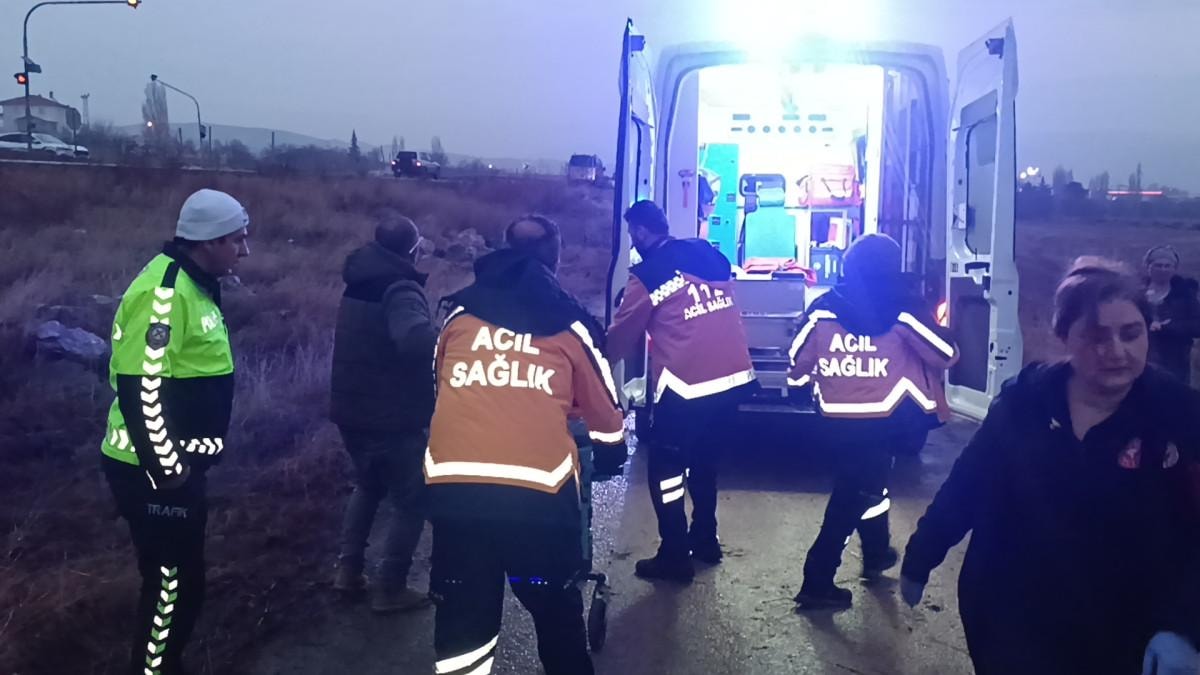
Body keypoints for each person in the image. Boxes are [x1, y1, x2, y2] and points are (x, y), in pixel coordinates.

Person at [901, 257, 1200, 675]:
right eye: (1096, 336)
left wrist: (1186, 625)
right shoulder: (1024, 404)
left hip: (1127, 630)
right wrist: (921, 555)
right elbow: (968, 485)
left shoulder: (1180, 416)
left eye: (1131, 334)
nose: (1116, 351)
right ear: (1064, 337)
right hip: (1012, 620)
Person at [425, 226, 628, 675]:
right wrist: (612, 452)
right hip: (538, 502)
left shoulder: (458, 317)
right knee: (554, 608)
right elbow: (605, 412)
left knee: (463, 621)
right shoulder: (568, 325)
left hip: (455, 497)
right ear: (554, 261)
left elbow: (438, 388)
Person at [100, 189, 250, 675]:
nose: (245, 251)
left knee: (183, 584)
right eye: (236, 240)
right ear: (208, 241)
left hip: (174, 468)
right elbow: (141, 391)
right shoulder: (164, 295)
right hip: (151, 473)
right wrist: (169, 471)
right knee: (170, 587)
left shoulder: (194, 284)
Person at [787, 233, 958, 610]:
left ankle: (877, 551)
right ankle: (817, 580)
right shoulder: (904, 310)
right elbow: (945, 354)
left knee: (869, 486)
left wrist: (798, 388)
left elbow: (798, 357)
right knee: (850, 499)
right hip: (884, 421)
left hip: (836, 421)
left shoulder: (823, 308)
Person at [607, 199, 755, 583]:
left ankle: (674, 555)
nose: (633, 241)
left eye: (633, 234)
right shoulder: (707, 253)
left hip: (688, 384)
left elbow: (623, 334)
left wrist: (595, 363)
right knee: (705, 462)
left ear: (641, 231)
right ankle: (705, 540)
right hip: (733, 378)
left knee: (666, 468)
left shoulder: (647, 275)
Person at [329, 212, 435, 613]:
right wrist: (447, 338)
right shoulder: (401, 288)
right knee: (412, 499)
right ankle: (390, 587)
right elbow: (413, 340)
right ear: (412, 249)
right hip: (391, 414)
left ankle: (348, 572)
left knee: (368, 486)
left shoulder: (359, 281)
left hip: (350, 408)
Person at [1144, 245, 1200, 385]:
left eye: (1167, 266)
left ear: (1174, 269)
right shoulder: (1136, 293)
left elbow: (1197, 326)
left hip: (1175, 362)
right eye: (1158, 265)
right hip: (1141, 358)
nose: (1163, 269)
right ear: (1148, 266)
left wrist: (1167, 328)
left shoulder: (1185, 295)